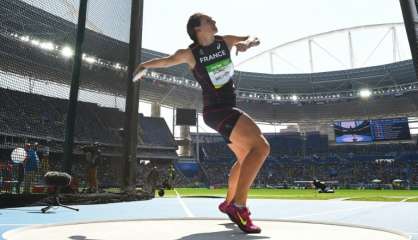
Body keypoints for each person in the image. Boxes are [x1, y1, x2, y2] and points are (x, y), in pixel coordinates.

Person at [134, 13, 270, 233]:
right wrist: (144, 65)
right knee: (262, 147)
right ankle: (239, 206)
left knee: (246, 157)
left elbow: (252, 37)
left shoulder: (224, 41)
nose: (214, 21)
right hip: (218, 111)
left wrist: (247, 43)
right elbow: (167, 60)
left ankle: (228, 203)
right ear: (198, 29)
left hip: (225, 110)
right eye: (209, 20)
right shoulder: (190, 54)